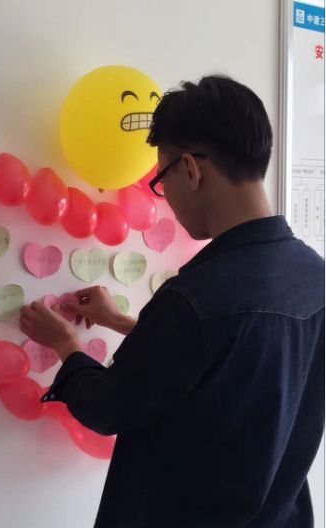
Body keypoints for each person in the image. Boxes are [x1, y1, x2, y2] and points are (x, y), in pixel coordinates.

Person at [19, 75, 325, 527]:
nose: (166, 198)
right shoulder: (314, 274)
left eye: (161, 179)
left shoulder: (195, 298)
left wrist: (66, 344)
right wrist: (120, 321)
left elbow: (109, 406)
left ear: (191, 170)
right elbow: (231, 363)